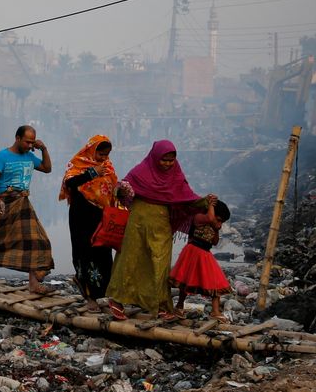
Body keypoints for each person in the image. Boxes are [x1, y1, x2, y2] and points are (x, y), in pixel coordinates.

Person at [105, 140, 213, 321]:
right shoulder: (140, 172)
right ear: (155, 157)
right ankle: (117, 301)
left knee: (160, 264)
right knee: (130, 261)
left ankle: (160, 304)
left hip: (162, 225)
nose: (168, 163)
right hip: (137, 224)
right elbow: (121, 190)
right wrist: (122, 189)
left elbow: (186, 198)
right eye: (165, 160)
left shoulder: (176, 175)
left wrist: (204, 201)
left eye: (171, 160)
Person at [0, 125, 54, 294]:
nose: (30, 146)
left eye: (32, 142)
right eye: (27, 142)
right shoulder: (2, 156)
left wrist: (43, 148)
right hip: (5, 202)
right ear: (17, 138)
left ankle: (33, 283)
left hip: (23, 201)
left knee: (35, 240)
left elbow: (47, 168)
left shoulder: (30, 157)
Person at [58, 135, 118, 312]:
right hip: (81, 216)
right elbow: (69, 182)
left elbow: (112, 189)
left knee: (103, 254)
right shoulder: (78, 163)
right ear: (92, 150)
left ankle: (103, 295)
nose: (103, 158)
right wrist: (92, 173)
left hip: (101, 217)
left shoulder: (108, 167)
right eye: (100, 154)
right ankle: (89, 296)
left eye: (106, 155)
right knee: (85, 252)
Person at [171, 198, 232, 320]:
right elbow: (210, 218)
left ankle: (215, 311)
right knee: (185, 280)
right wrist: (211, 205)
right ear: (211, 212)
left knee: (216, 282)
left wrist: (216, 229)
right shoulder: (199, 218)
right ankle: (179, 305)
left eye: (222, 223)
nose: (220, 224)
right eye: (219, 220)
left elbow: (215, 242)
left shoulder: (214, 225)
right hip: (192, 251)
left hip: (205, 253)